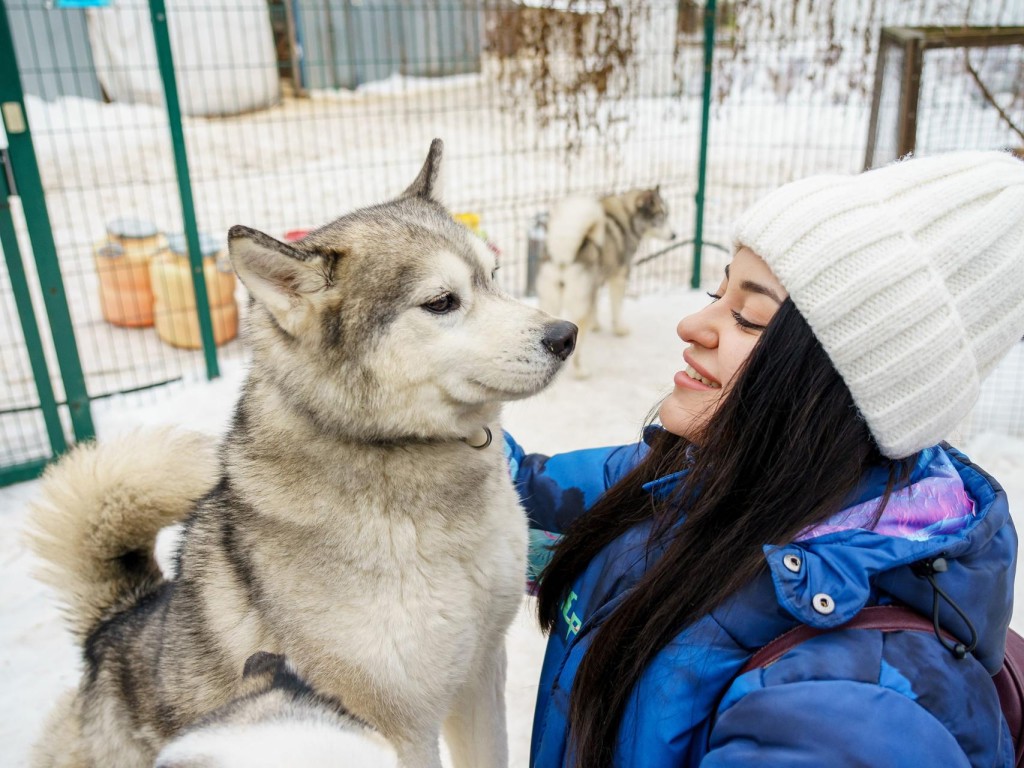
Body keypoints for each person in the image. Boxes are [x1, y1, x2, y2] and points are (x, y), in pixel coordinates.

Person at [506, 150, 1024, 767]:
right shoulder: (695, 480)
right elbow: (507, 494)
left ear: (838, 390)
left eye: (749, 318)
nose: (692, 323)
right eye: (715, 292)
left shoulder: (846, 717)